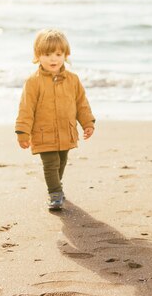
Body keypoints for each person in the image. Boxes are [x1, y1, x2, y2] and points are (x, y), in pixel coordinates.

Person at [15, 29, 95, 210]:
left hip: (66, 131)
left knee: (62, 161)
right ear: (38, 56)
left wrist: (87, 123)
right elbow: (26, 108)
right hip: (43, 133)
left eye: (58, 54)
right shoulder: (33, 82)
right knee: (51, 163)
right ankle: (55, 192)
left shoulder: (73, 80)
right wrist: (22, 131)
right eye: (47, 54)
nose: (53, 59)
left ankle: (56, 186)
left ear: (66, 55)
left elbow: (81, 104)